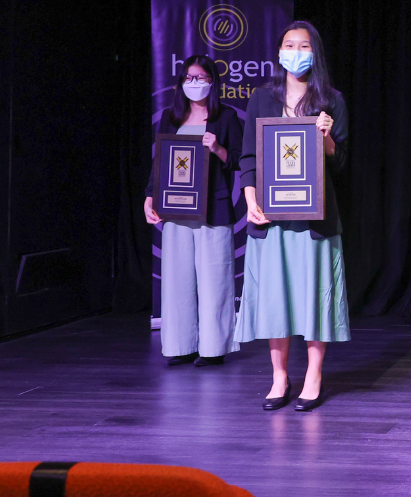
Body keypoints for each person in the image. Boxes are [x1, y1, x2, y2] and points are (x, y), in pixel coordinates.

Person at [235, 21, 350, 412]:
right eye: (289, 44)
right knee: (275, 298)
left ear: (314, 53)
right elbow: (248, 154)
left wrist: (328, 138)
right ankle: (280, 378)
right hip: (271, 218)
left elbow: (342, 166)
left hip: (315, 219)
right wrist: (250, 197)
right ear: (279, 51)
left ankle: (314, 377)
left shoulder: (332, 100)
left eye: (303, 45)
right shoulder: (261, 98)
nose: (295, 51)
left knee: (315, 296)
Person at [143, 55, 243, 367]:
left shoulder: (225, 117)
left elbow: (241, 159)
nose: (194, 84)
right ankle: (181, 345)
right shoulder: (171, 119)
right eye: (188, 78)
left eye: (200, 78)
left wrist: (217, 149)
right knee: (177, 280)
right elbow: (160, 162)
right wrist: (150, 197)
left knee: (215, 279)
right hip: (176, 209)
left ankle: (214, 349)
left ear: (213, 82)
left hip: (214, 209)